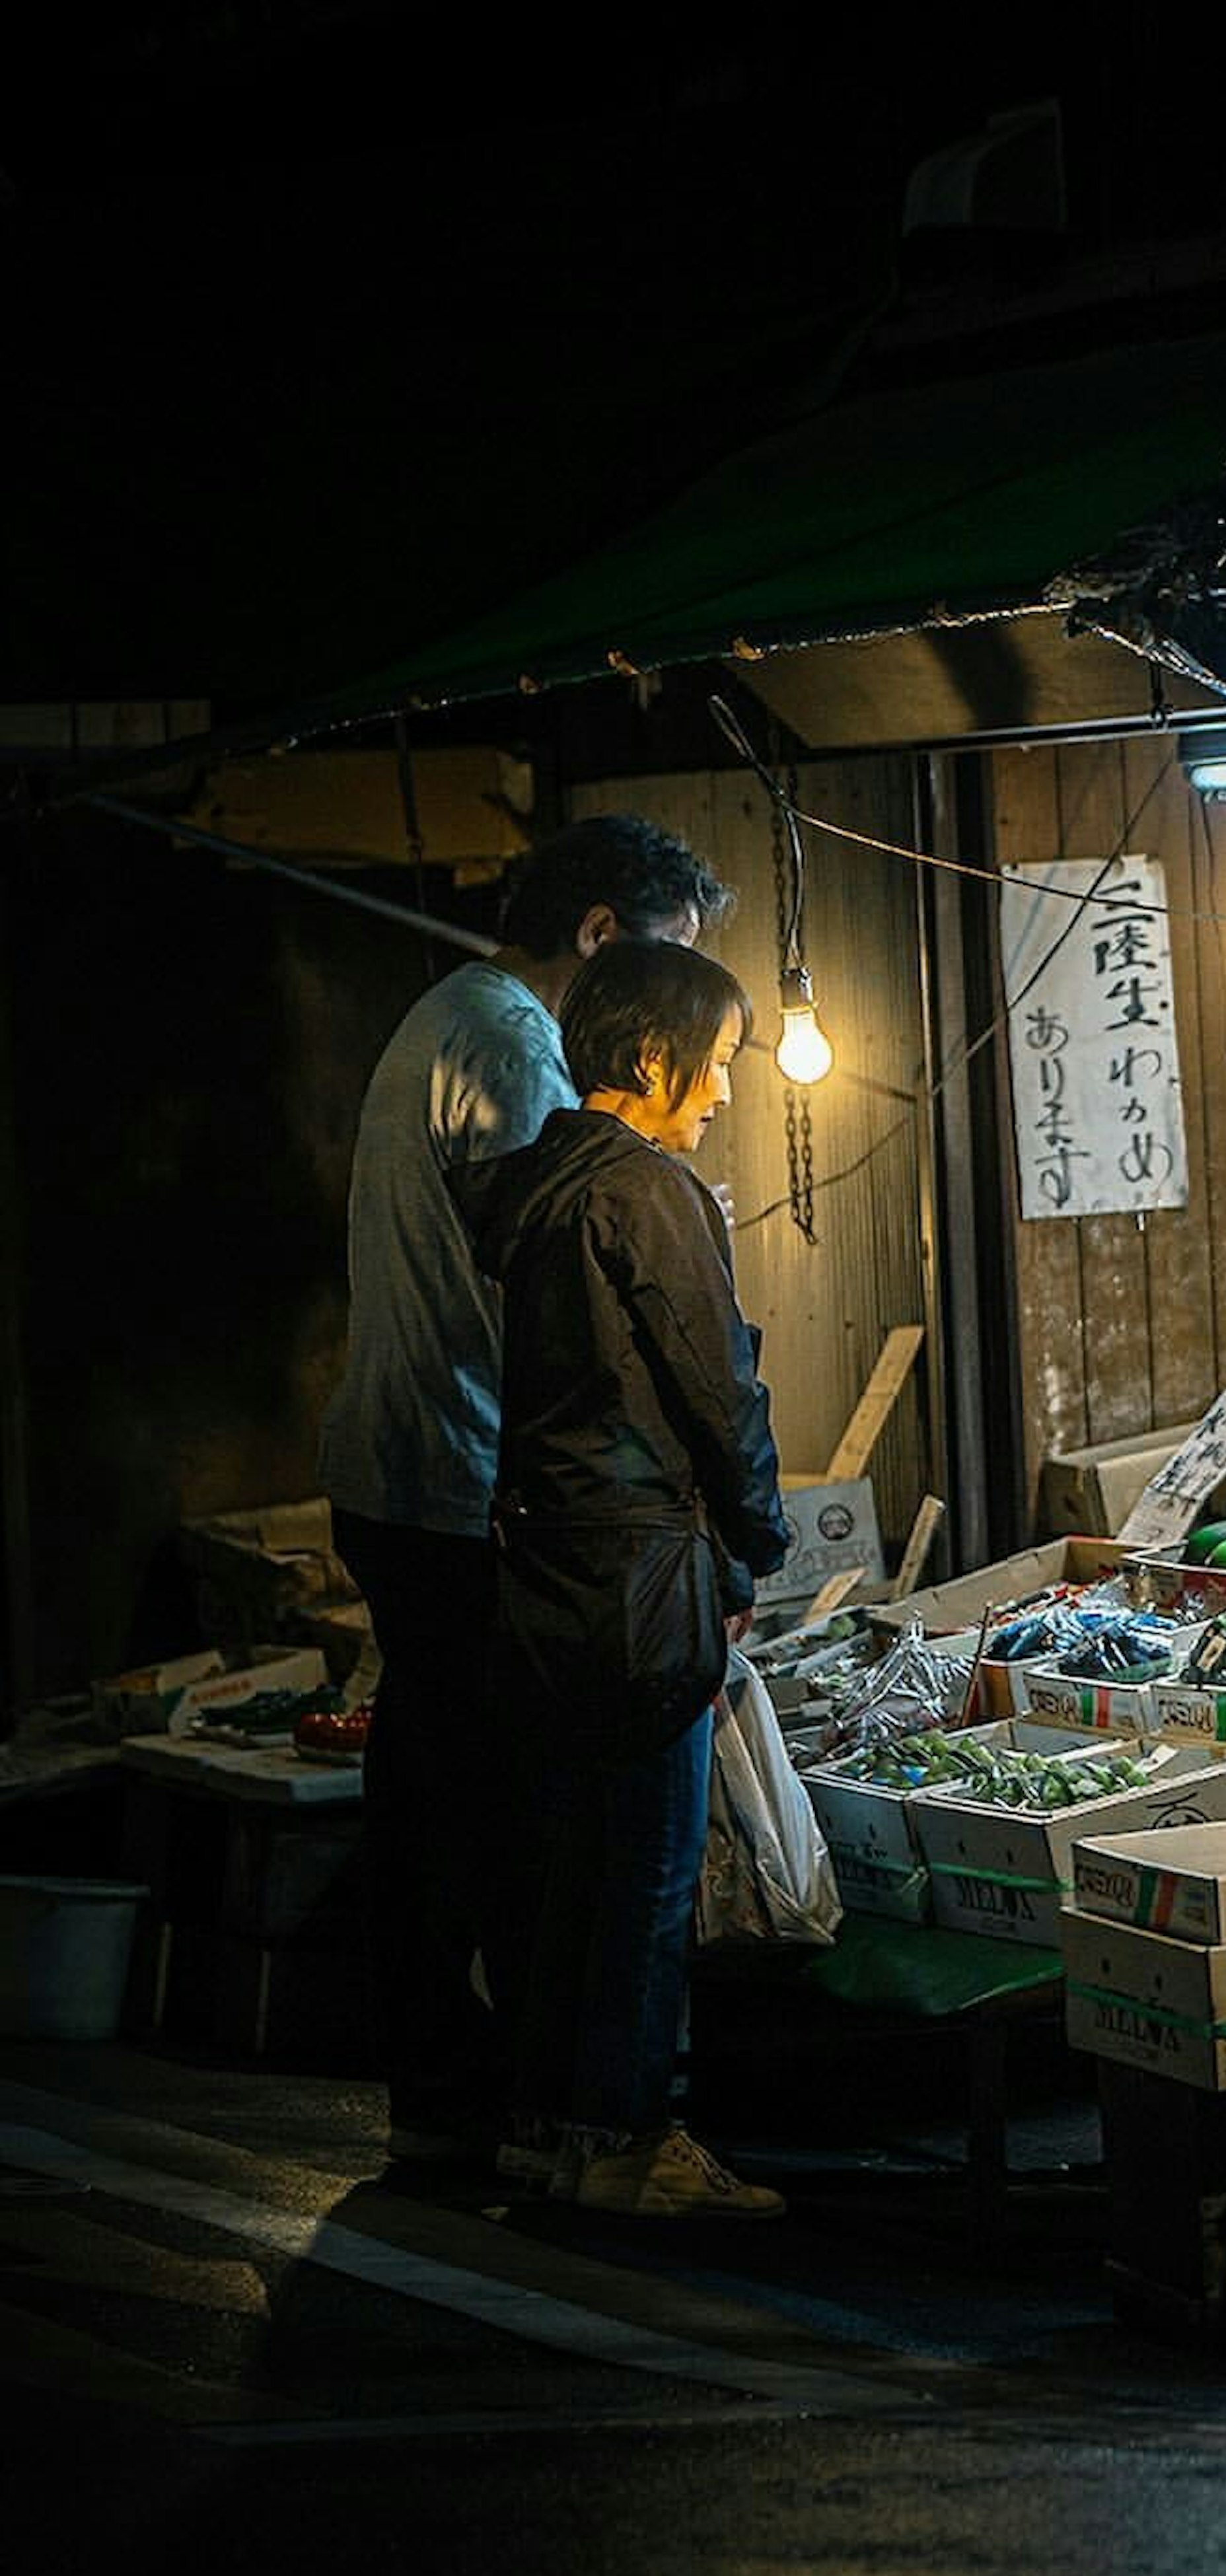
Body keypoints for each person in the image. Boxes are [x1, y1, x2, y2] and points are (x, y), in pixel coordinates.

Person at [318, 812, 731, 2164]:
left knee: (441, 1792)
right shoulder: (511, 1039)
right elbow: (559, 1263)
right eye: (657, 964)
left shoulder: (459, 1011)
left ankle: (464, 2100)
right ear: (600, 937)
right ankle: (503, 2111)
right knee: (497, 1814)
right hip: (466, 1479)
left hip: (414, 1468)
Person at [451, 936, 793, 2217]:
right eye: (710, 1066)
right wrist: (757, 1543)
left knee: (567, 1872)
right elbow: (720, 1388)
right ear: (651, 1056)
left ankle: (547, 2130)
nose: (718, 1094)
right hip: (645, 1580)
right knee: (649, 1873)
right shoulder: (650, 1192)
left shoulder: (526, 1186)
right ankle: (633, 2143)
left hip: (538, 1569)